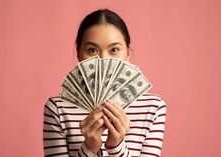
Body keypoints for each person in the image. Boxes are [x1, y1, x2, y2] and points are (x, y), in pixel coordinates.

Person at [43, 9, 167, 157]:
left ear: (128, 54)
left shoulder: (153, 107)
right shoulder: (57, 108)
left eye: (114, 49)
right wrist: (89, 148)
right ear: (78, 54)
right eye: (92, 50)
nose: (103, 60)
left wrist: (116, 146)